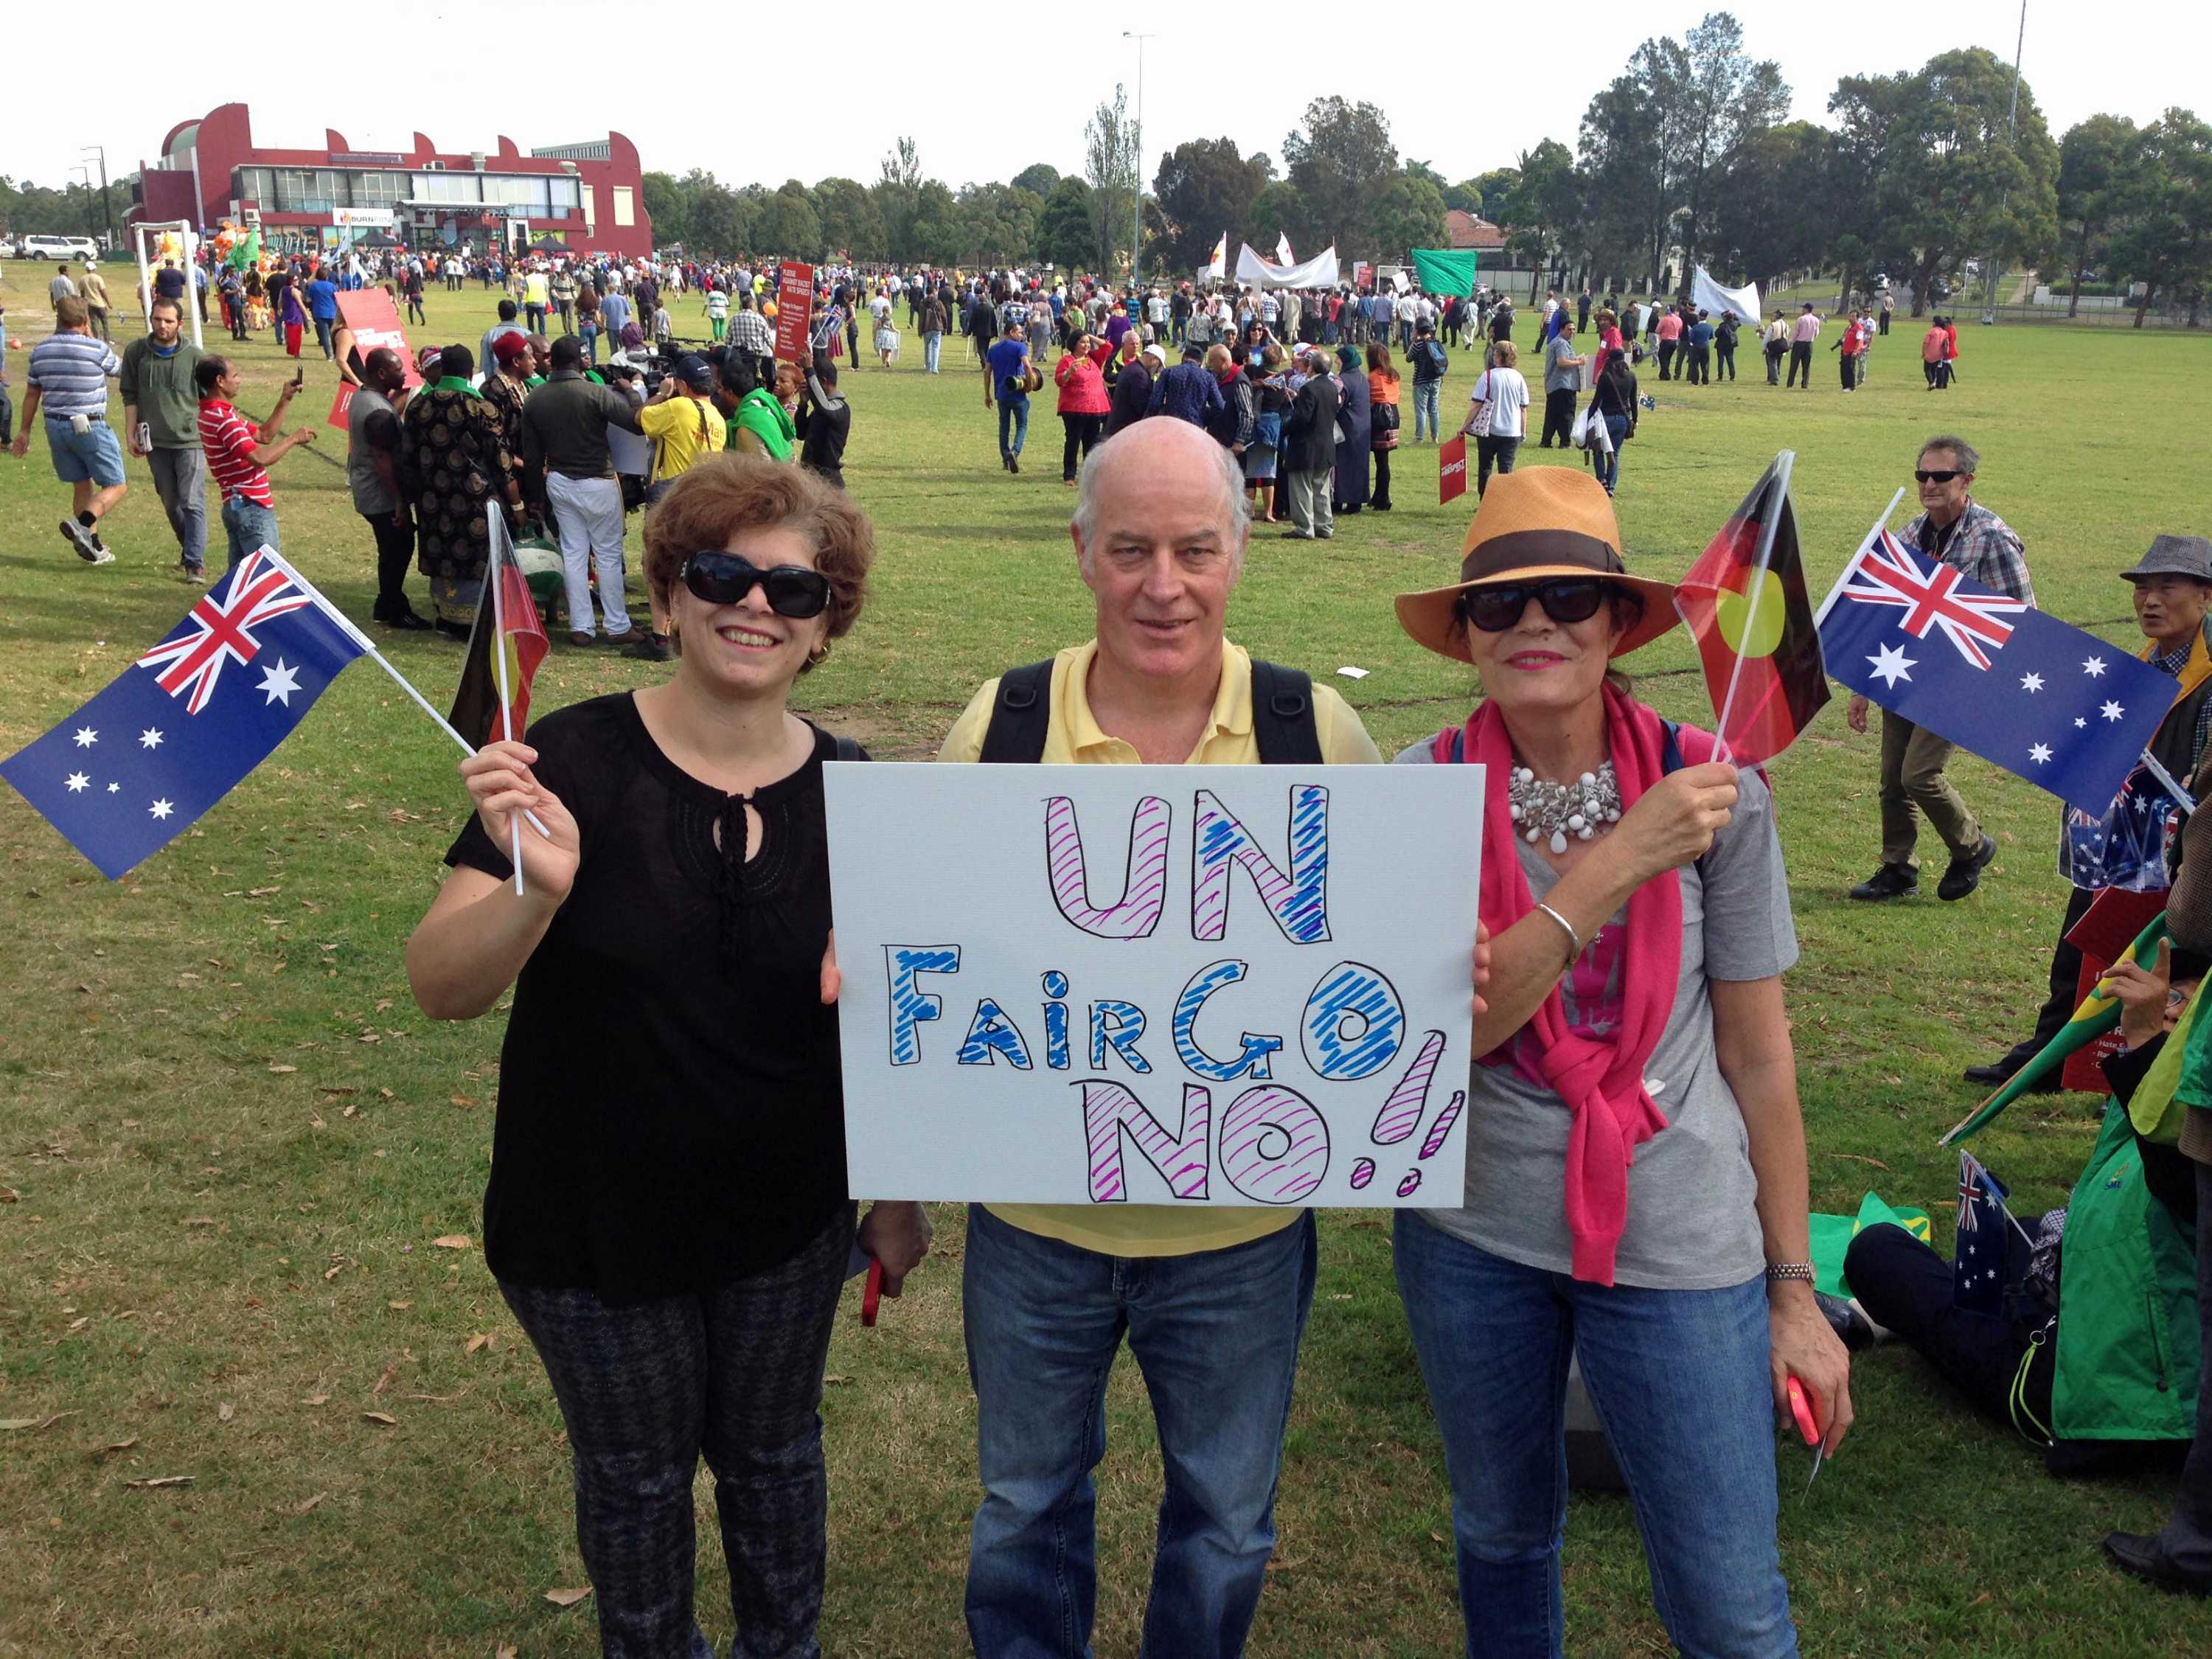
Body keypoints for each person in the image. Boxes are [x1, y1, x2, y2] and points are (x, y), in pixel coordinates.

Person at [405, 453, 929, 1659]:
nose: (756, 604)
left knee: (774, 1455)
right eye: (722, 574)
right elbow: (442, 986)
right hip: (588, 1224)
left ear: (823, 630)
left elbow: (899, 1033)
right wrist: (535, 896)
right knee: (637, 1480)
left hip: (787, 1218)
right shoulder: (569, 763)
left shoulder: (863, 793)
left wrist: (896, 1202)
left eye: (795, 593)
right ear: (670, 596)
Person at [936, 416, 1385, 1659]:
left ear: (1242, 549)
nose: (1163, 585)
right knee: (1023, 1506)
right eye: (1130, 548)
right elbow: (934, 943)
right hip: (1036, 1225)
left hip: (1240, 1230)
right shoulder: (1007, 721)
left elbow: (1379, 974)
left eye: (1195, 547)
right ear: (1082, 551)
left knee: (1230, 1518)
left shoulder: (1315, 734)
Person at [1388, 466, 1851, 1658]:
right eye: (1499, 604)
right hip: (1474, 1237)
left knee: (1727, 1601)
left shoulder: (1718, 791)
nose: (1535, 622)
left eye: (1568, 597)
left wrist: (1793, 1292)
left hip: (1683, 1244)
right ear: (1466, 638)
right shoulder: (1418, 794)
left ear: (1616, 621)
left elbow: (1760, 1059)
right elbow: (1446, 1037)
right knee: (1501, 1537)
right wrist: (1614, 866)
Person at [1964, 535, 2212, 1091]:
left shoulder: (2207, 679)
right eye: (2143, 588)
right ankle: (2052, 1054)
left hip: (2177, 854)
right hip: (2113, 840)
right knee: (2082, 946)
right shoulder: (2142, 663)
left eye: (2167, 587)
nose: (2150, 600)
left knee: (2170, 964)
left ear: (2206, 597)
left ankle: (2147, 1066)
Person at [1846, 437, 2034, 902]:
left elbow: (2023, 619)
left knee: (1919, 775)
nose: (1929, 485)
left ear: (1967, 480)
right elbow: (1887, 614)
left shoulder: (1992, 537)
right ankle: (1897, 868)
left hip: (1956, 679)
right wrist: (1862, 684)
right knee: (1892, 780)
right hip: (1904, 671)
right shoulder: (1910, 535)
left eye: (1941, 476)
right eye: (1921, 476)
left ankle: (1971, 846)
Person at [521, 334, 650, 650]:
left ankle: (582, 627)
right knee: (606, 555)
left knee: (574, 554)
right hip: (598, 481)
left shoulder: (535, 398)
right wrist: (631, 393)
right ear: (580, 359)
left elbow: (533, 455)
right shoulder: (593, 392)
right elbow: (636, 424)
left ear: (551, 361)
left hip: (560, 482)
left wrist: (534, 497)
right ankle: (617, 625)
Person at [401, 344, 522, 638]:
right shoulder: (481, 407)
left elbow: (407, 457)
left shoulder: (419, 406)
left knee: (442, 553)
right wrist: (517, 506)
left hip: (432, 499)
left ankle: (446, 616)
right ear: (471, 373)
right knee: (477, 557)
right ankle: (477, 621)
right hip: (476, 502)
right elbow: (502, 463)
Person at [629, 354, 733, 659]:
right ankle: (687, 633)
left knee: (658, 565)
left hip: (670, 493)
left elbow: (640, 419)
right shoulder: (717, 417)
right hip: (702, 495)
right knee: (690, 566)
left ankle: (660, 637)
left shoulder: (677, 406)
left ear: (683, 385)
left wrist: (662, 393)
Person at [10, 294, 127, 564]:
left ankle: (93, 547)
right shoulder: (95, 349)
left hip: (55, 427)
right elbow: (121, 371)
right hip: (89, 425)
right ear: (85, 320)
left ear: (58, 317)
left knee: (81, 485)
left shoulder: (41, 351)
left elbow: (31, 394)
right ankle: (83, 525)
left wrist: (24, 431)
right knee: (117, 485)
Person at [195, 355, 316, 571]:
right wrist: (293, 439)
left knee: (241, 580)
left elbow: (263, 435)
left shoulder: (211, 413)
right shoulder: (225, 420)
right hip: (252, 507)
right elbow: (260, 458)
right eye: (235, 375)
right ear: (220, 381)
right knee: (265, 576)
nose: (239, 380)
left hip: (235, 505)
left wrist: (285, 399)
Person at [121, 296, 209, 582]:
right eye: (157, 319)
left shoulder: (195, 357)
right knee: (171, 503)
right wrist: (130, 432)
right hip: (154, 443)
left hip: (190, 441)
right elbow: (130, 395)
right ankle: (189, 549)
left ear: (180, 324)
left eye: (169, 320)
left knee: (192, 501)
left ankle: (195, 563)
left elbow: (211, 399)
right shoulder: (136, 352)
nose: (162, 325)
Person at [345, 347, 428, 630]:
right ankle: (394, 607)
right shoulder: (377, 411)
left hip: (367, 487)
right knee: (397, 547)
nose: (404, 372)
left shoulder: (367, 397)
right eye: (398, 369)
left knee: (392, 546)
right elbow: (383, 460)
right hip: (379, 494)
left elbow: (392, 410)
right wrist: (399, 502)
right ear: (382, 373)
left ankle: (385, 603)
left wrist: (409, 386)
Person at [1281, 346, 1339, 540]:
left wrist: (1285, 429)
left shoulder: (1308, 387)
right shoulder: (1332, 386)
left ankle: (1304, 528)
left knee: (1301, 488)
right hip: (1326, 445)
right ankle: (1324, 526)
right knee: (1321, 489)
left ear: (1312, 368)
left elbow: (1303, 419)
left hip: (1306, 446)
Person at [1462, 343, 1529, 500]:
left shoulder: (1488, 376)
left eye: (1495, 354)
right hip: (1512, 431)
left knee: (1485, 467)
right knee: (1506, 470)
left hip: (1489, 430)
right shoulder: (1518, 377)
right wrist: (1523, 431)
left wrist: (1465, 425)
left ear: (1499, 356)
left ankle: (1484, 503)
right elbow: (1523, 408)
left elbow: (1477, 404)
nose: (1493, 356)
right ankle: (1503, 505)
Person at [1053, 333, 1110, 485]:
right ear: (1074, 344)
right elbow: (1060, 381)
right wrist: (1069, 372)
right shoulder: (1067, 361)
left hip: (1095, 408)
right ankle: (1069, 475)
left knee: (1091, 444)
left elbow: (1107, 347)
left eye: (1088, 343)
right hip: (1074, 409)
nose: (1087, 345)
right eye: (1082, 343)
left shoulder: (1093, 358)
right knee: (1073, 441)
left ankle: (1090, 475)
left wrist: (1089, 336)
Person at [794, 350, 850, 490]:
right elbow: (801, 433)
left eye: (811, 382)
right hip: (811, 479)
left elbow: (824, 407)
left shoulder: (840, 408)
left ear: (823, 381)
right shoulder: (819, 410)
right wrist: (803, 404)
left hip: (829, 483)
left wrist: (809, 370)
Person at [1588, 348, 1639, 498]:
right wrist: (1634, 420)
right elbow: (1633, 401)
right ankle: (1611, 485)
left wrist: (1588, 417)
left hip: (1606, 419)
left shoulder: (1606, 376)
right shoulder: (1631, 376)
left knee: (1598, 450)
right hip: (1623, 420)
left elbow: (1597, 401)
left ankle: (1601, 480)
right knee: (1615, 453)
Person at [988, 319, 1034, 473]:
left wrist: (987, 394)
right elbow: (1027, 365)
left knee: (1004, 427)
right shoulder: (1020, 347)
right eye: (1019, 332)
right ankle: (1015, 452)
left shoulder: (993, 349)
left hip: (1001, 394)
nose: (1021, 335)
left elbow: (987, 372)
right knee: (1022, 425)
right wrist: (1030, 383)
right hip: (1018, 393)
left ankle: (1005, 458)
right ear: (1012, 332)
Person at [1146, 342, 1225, 430]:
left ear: (1183, 357)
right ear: (1200, 363)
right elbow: (1219, 405)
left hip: (1171, 425)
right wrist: (1203, 417)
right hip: (1195, 427)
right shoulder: (1208, 378)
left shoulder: (1168, 372)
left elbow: (1155, 403)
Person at [1332, 341, 1371, 515]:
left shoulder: (1343, 380)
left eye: (1338, 359)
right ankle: (1356, 500)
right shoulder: (1363, 378)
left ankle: (1339, 499)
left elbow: (1336, 403)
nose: (1336, 361)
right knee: (1359, 464)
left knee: (1342, 464)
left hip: (1346, 426)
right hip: (1363, 426)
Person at [1537, 321, 1587, 449]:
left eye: (1574, 329)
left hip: (1554, 385)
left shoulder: (1559, 342)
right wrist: (1579, 362)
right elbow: (1562, 362)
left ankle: (1546, 441)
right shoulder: (1561, 343)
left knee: (1552, 415)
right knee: (1566, 414)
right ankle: (1565, 442)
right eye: (1569, 329)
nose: (1572, 332)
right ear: (1561, 330)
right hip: (1563, 384)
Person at [1367, 341, 1399, 512]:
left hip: (1379, 417)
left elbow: (1371, 400)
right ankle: (1378, 495)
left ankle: (1383, 498)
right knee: (1382, 460)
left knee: (1381, 462)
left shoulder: (1373, 377)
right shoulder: (1394, 374)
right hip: (1393, 415)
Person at [1408, 321, 1448, 444]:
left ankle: (1419, 437)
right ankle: (1435, 437)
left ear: (1418, 331)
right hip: (1436, 379)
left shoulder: (1418, 344)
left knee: (1421, 409)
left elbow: (1408, 358)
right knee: (1433, 409)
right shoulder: (1436, 342)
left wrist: (1413, 341)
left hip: (1421, 380)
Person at [305, 267, 341, 360]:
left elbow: (308, 299)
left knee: (324, 336)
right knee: (334, 334)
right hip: (332, 312)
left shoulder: (314, 286)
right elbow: (337, 299)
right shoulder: (332, 286)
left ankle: (329, 355)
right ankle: (337, 353)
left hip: (319, 312)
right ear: (327, 277)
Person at [1787, 304, 1820, 389]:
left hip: (1799, 343)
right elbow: (1817, 333)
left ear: (1806, 309)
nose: (1802, 310)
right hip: (1809, 344)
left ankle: (1790, 383)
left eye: (1803, 309)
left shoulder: (1801, 319)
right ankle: (1805, 384)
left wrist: (1791, 342)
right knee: (1806, 365)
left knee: (1794, 364)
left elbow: (1796, 333)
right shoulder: (1816, 320)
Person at [79, 260, 113, 342]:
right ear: (94, 269)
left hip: (90, 304)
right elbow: (102, 291)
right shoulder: (98, 278)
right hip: (100, 303)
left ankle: (96, 339)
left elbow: (82, 293)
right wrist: (108, 302)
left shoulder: (83, 279)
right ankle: (107, 339)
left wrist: (83, 303)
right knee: (105, 322)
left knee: (94, 323)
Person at [1684, 310, 1714, 386]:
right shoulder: (1710, 327)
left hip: (1696, 347)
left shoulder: (1695, 327)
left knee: (1694, 364)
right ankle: (1705, 380)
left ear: (1700, 317)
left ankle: (1695, 381)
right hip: (1706, 346)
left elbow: (1691, 338)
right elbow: (1711, 337)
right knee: (1705, 364)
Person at [1715, 311, 1739, 382]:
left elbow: (1717, 334)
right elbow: (1738, 321)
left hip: (1721, 345)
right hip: (1730, 345)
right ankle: (1732, 376)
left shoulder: (1722, 325)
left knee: (1721, 361)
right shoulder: (1734, 324)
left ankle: (1720, 377)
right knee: (1730, 361)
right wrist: (1735, 316)